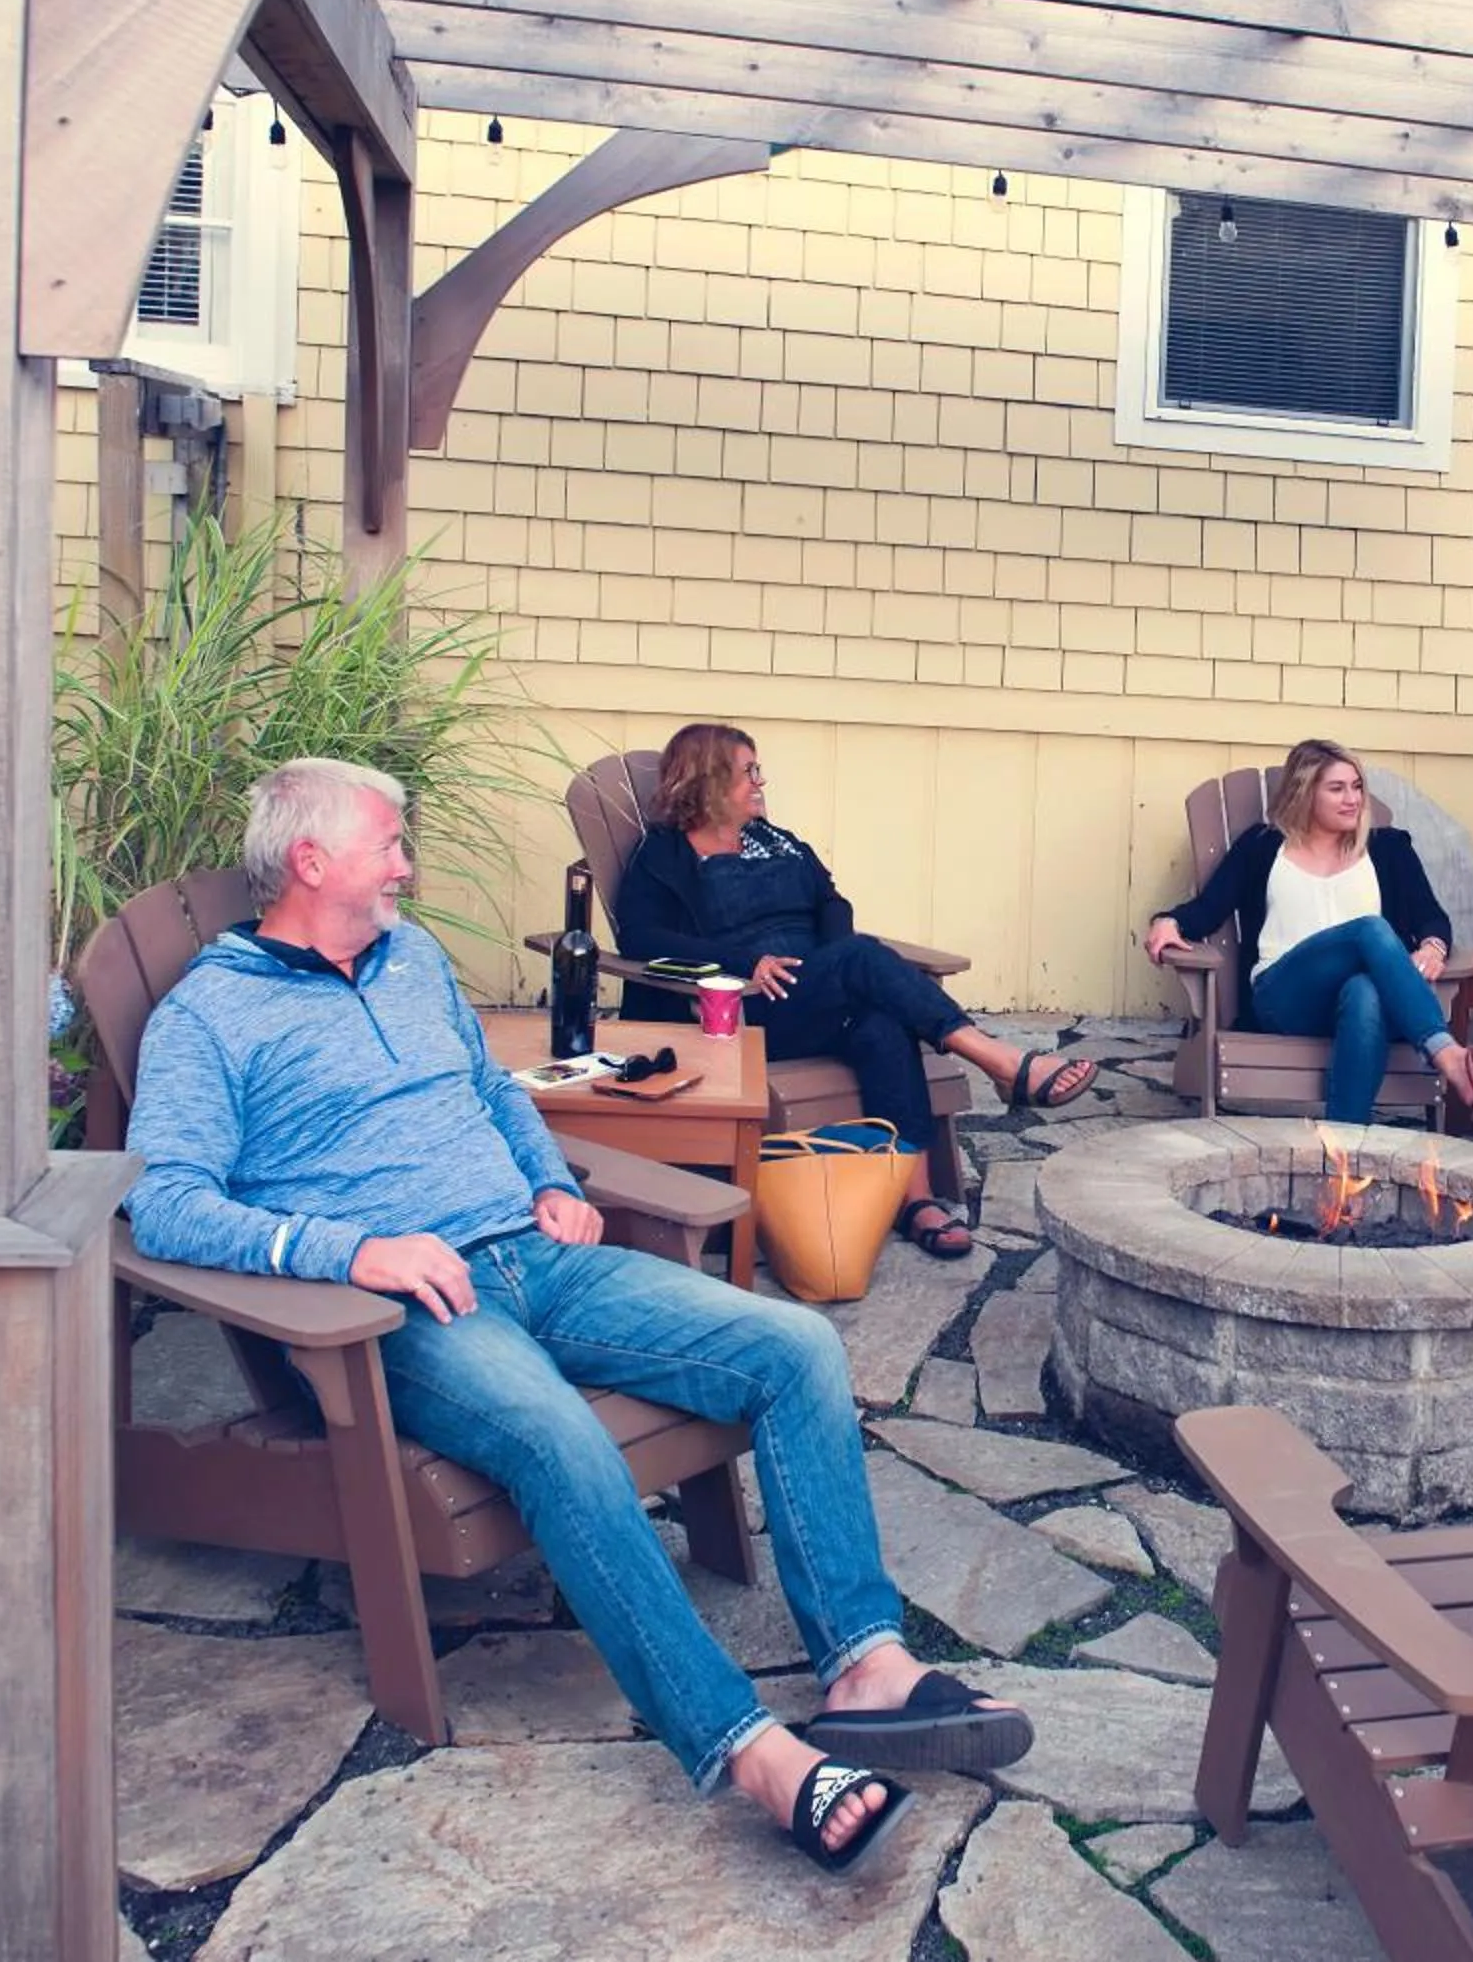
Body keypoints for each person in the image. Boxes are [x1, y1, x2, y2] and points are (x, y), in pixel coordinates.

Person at [124, 758, 1032, 1876]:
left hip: (539, 1253)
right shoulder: (210, 1015)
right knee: (559, 1437)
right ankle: (748, 1748)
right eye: (389, 845)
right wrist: (354, 1250)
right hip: (404, 1308)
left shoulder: (408, 960)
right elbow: (165, 1201)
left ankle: (864, 1661)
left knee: (794, 1345)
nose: (408, 864)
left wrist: (550, 1178)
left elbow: (496, 1089)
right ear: (311, 862)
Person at [612, 722, 1097, 1257]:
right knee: (863, 959)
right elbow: (642, 936)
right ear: (708, 780)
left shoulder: (776, 840)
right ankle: (1001, 1062)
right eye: (748, 771)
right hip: (751, 1008)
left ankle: (914, 1199)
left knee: (880, 1021)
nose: (760, 781)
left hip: (818, 987)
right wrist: (747, 962)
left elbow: (831, 903)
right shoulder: (665, 854)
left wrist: (833, 959)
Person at [1143, 737, 1473, 1125]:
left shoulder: (1389, 848)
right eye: (1337, 788)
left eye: (1357, 787)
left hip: (1364, 1004)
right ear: (1304, 793)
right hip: (1284, 997)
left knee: (1365, 991)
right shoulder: (1263, 847)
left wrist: (1432, 947)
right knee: (1370, 931)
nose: (1352, 799)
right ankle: (1451, 1058)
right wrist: (1168, 921)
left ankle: (1342, 1153)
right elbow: (1207, 909)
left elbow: (1432, 918)